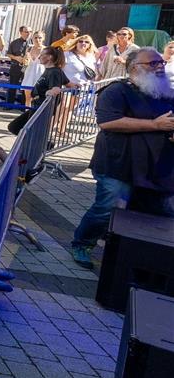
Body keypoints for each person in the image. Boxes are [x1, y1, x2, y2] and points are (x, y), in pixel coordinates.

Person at [71, 48, 174, 269]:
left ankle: (132, 253)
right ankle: (82, 243)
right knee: (108, 207)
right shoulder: (116, 91)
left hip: (153, 168)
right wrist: (154, 125)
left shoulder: (166, 93)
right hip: (118, 163)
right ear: (135, 67)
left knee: (154, 212)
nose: (159, 67)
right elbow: (107, 122)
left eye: (161, 63)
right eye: (153, 63)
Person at [20, 31, 47, 108]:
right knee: (28, 98)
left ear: (43, 39)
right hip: (29, 74)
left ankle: (37, 115)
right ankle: (27, 114)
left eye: (40, 37)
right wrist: (25, 60)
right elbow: (25, 63)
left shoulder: (46, 49)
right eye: (35, 37)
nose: (37, 39)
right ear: (32, 38)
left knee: (39, 98)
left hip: (40, 75)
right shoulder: (29, 48)